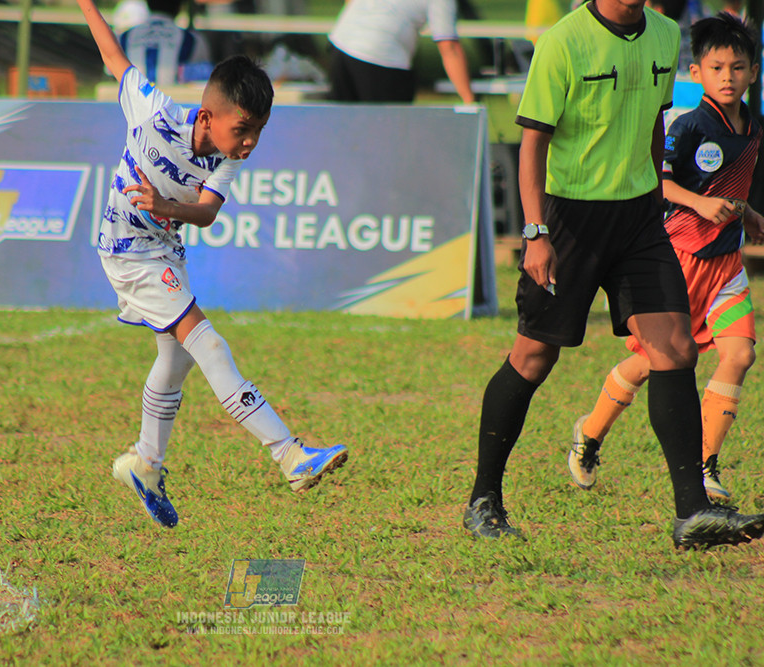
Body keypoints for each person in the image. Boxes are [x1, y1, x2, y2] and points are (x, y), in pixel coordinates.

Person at [461, 0, 764, 550]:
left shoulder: (663, 34)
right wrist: (534, 232)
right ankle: (484, 498)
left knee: (675, 349)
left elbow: (652, 120)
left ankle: (692, 514)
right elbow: (533, 142)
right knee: (534, 356)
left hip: (640, 220)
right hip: (568, 219)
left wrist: (653, 200)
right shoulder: (563, 41)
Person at [74, 0, 349, 528]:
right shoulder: (152, 110)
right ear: (206, 116)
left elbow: (204, 214)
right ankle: (290, 455)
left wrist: (164, 207)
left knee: (174, 361)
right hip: (129, 252)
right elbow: (113, 54)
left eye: (258, 133)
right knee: (208, 344)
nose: (248, 145)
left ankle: (145, 464)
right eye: (242, 130)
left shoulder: (225, 160)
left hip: (164, 248)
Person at [569, 13, 764, 506]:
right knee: (651, 364)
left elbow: (727, 187)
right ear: (695, 73)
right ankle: (589, 435)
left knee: (739, 354)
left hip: (725, 266)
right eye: (716, 67)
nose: (727, 76)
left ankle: (705, 468)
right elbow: (659, 180)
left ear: (753, 72)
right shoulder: (690, 124)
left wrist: (749, 213)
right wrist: (698, 204)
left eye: (737, 67)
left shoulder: (753, 126)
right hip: (679, 260)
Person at [326, 0, 475, 104]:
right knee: (389, 136)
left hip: (341, 43)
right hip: (382, 58)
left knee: (343, 128)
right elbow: (449, 47)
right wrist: (469, 99)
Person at [118, 0, 212, 86]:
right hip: (175, 101)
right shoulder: (192, 40)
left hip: (129, 102)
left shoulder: (125, 37)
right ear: (179, 6)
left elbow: (110, 75)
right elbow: (206, 76)